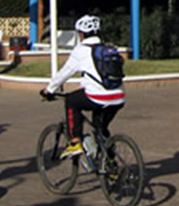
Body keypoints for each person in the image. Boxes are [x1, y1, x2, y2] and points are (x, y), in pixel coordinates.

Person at [40, 14, 125, 158]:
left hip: (97, 97)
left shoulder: (81, 51)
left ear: (81, 34)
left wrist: (49, 90)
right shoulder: (107, 48)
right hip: (118, 96)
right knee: (100, 128)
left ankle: (75, 142)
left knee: (71, 101)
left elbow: (65, 73)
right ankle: (111, 164)